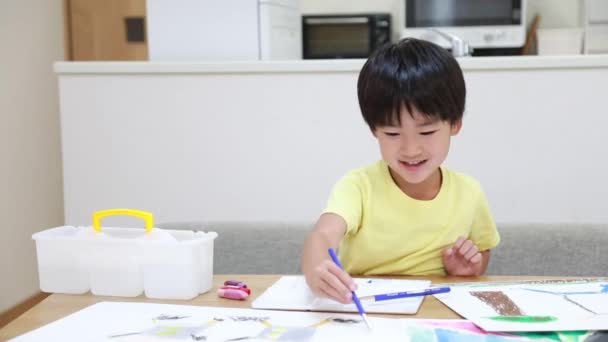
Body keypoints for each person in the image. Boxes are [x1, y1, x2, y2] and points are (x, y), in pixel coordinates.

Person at [301, 38, 500, 304]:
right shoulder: (358, 186)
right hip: (365, 310)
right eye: (393, 133)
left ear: (454, 124)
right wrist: (317, 268)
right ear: (374, 130)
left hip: (434, 312)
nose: (410, 149)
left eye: (427, 132)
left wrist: (468, 268)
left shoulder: (469, 193)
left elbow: (482, 251)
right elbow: (324, 234)